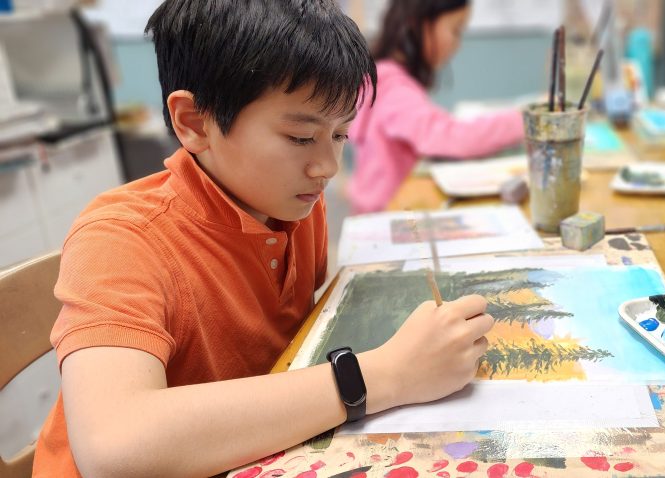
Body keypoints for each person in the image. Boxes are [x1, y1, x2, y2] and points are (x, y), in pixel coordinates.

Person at [33, 1, 493, 476]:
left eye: (340, 135)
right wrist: (386, 375)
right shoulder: (122, 238)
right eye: (300, 138)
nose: (327, 167)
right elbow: (113, 447)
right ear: (194, 122)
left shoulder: (293, 204)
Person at [346, 0, 525, 214]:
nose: (458, 44)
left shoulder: (384, 75)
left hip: (386, 208)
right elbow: (449, 137)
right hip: (383, 215)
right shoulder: (393, 88)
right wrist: (523, 120)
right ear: (418, 24)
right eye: (456, 30)